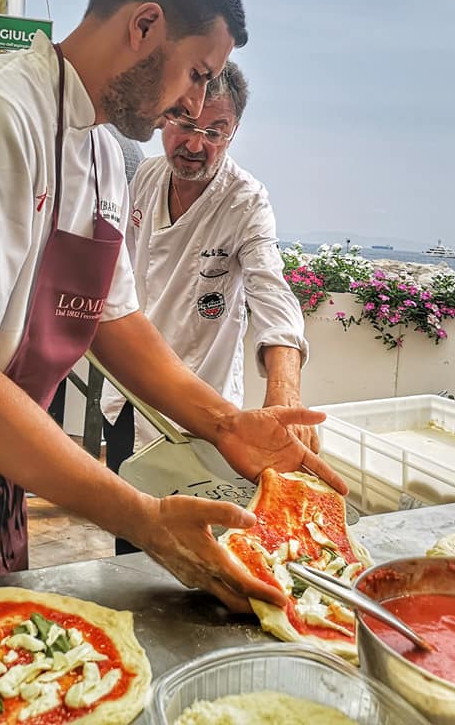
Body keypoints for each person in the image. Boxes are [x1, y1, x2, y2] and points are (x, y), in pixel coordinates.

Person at [0, 0, 345, 612]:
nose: (195, 106)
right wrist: (144, 519)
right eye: (198, 73)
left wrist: (227, 425)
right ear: (144, 26)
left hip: (3, 462)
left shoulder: (105, 156)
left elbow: (115, 320)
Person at [101, 62, 318, 516]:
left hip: (206, 408)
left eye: (215, 132)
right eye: (185, 124)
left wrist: (284, 393)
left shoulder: (245, 201)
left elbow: (272, 293)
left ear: (233, 133)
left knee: (197, 534)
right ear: (165, 116)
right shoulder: (146, 177)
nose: (196, 145)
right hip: (129, 392)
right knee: (130, 525)